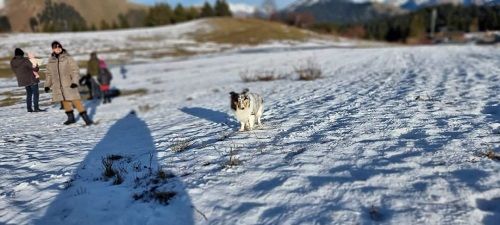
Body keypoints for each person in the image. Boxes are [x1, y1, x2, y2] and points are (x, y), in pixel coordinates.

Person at [44, 41, 93, 125]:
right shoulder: (51, 60)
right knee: (64, 101)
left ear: (61, 47)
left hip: (69, 84)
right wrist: (47, 85)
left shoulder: (68, 58)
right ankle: (71, 118)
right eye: (55, 47)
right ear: (53, 49)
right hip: (58, 86)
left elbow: (75, 70)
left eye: (59, 47)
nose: (58, 49)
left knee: (76, 101)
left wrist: (74, 81)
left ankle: (86, 119)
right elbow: (49, 74)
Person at [10, 48, 44, 112]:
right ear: (22, 54)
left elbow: (15, 71)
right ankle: (36, 108)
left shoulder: (13, 61)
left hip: (23, 81)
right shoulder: (25, 60)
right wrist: (36, 65)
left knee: (29, 94)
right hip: (31, 79)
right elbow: (34, 69)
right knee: (36, 94)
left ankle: (29, 108)